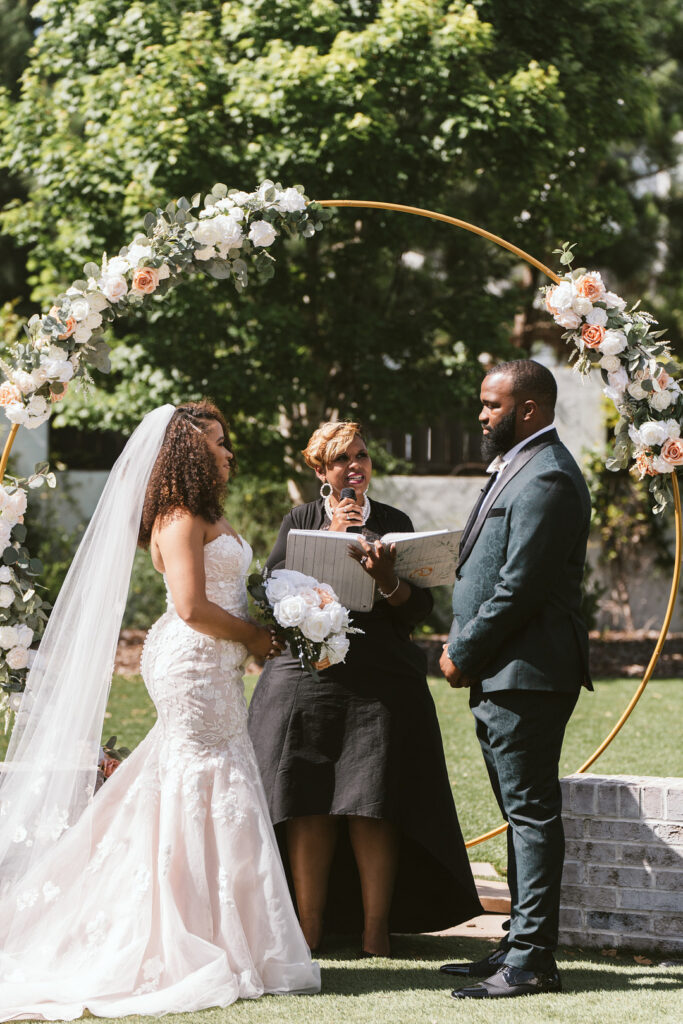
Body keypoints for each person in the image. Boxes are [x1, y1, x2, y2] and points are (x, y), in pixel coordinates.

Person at [0, 401, 320, 1019]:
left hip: (217, 663)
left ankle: (231, 932)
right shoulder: (175, 518)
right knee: (204, 774)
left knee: (210, 777)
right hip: (192, 663)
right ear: (188, 451)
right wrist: (253, 638)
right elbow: (193, 606)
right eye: (219, 444)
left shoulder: (208, 514)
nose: (229, 452)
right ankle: (186, 929)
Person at [248, 421, 481, 958]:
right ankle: (308, 928)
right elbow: (275, 596)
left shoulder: (395, 523)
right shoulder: (299, 521)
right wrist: (332, 540)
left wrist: (389, 582)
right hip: (314, 676)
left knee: (370, 801)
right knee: (307, 800)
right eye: (341, 460)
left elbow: (420, 609)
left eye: (362, 456)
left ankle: (377, 931)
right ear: (321, 471)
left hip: (380, 677)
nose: (355, 466)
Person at [438, 360, 592, 1000]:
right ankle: (517, 941)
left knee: (530, 815)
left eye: (492, 405)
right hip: (507, 674)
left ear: (528, 409)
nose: (482, 414)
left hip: (524, 673)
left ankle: (531, 960)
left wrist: (462, 651)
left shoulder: (548, 476)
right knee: (516, 813)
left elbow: (519, 587)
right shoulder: (521, 466)